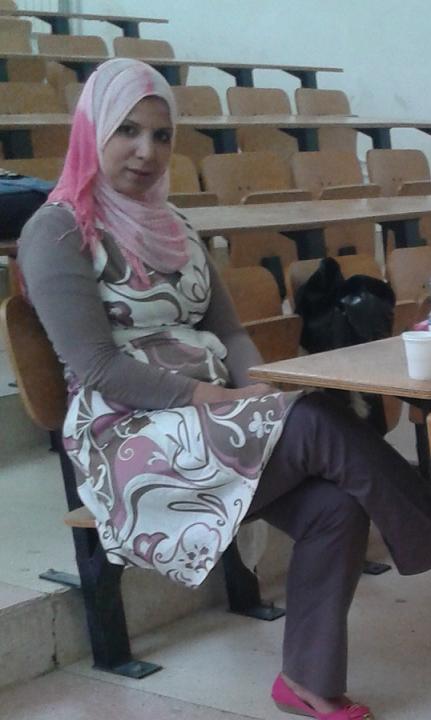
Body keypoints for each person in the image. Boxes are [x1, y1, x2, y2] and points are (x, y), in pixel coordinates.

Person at [18, 59, 431, 720]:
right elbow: (97, 366)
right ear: (92, 130)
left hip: (211, 422)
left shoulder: (174, 226)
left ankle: (307, 682)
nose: (146, 151)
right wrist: (217, 402)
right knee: (316, 421)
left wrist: (253, 397)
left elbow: (231, 334)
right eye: (127, 130)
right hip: (127, 440)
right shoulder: (58, 230)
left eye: (161, 135)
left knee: (332, 502)